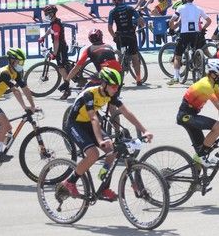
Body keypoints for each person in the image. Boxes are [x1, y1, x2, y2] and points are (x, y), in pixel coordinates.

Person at [61, 68, 152, 201]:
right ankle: (70, 182)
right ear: (104, 84)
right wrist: (100, 140)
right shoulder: (89, 94)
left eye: (118, 87)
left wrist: (144, 130)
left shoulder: (110, 94)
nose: (116, 89)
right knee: (93, 154)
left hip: (89, 124)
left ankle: (104, 186)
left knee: (112, 151)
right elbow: (94, 118)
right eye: (114, 86)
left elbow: (127, 113)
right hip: (75, 124)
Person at [0, 48, 39, 163]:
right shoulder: (5, 73)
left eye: (22, 62)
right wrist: (25, 107)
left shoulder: (15, 73)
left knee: (8, 128)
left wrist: (33, 105)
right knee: (4, 124)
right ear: (12, 61)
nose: (21, 65)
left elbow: (25, 89)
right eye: (19, 62)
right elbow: (16, 91)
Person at [167, 0, 211, 85]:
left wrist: (171, 29)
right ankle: (199, 69)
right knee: (197, 52)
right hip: (196, 34)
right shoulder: (199, 8)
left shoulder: (180, 8)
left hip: (184, 35)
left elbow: (172, 21)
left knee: (177, 56)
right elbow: (209, 21)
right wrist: (203, 29)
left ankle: (176, 77)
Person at [107, 0, 145, 85]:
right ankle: (138, 79)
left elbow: (109, 27)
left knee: (120, 56)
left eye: (113, 0)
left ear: (116, 0)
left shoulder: (113, 12)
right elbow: (141, 21)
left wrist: (114, 36)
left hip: (121, 38)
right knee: (135, 57)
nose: (112, 2)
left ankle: (119, 80)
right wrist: (137, 24)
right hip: (131, 37)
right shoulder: (130, 9)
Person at [38, 4, 72, 98]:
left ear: (52, 14)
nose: (46, 16)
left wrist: (55, 54)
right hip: (59, 48)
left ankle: (67, 89)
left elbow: (56, 41)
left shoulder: (56, 25)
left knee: (61, 68)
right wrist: (43, 37)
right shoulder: (54, 23)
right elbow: (50, 30)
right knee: (63, 66)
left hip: (60, 49)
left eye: (47, 14)